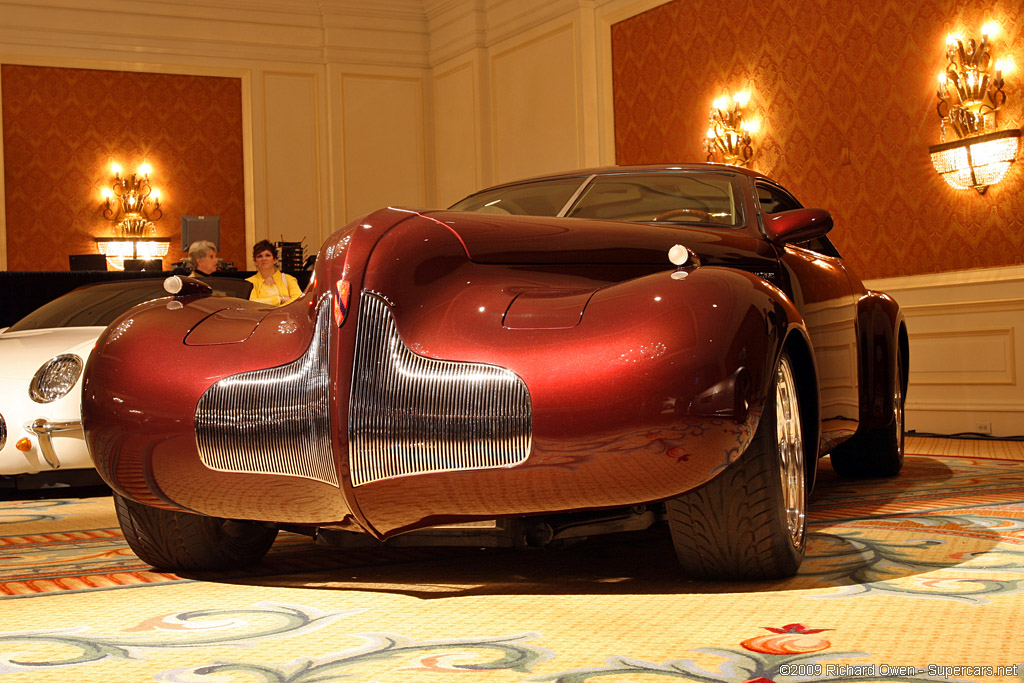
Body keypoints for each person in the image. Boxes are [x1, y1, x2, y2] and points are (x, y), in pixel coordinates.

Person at [247, 239, 302, 306]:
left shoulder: (289, 279)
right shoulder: (249, 283)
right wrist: (279, 299)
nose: (264, 259)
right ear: (255, 261)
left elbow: (298, 302)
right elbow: (251, 304)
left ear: (275, 260)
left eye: (268, 255)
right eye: (259, 256)